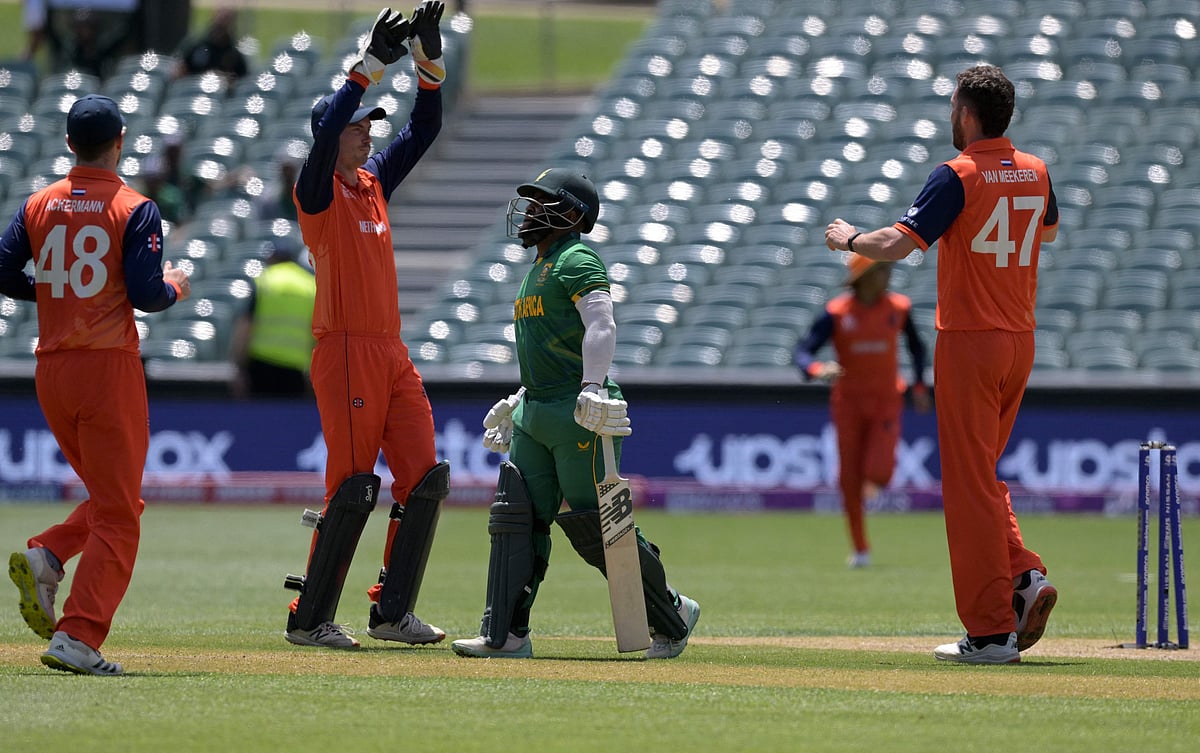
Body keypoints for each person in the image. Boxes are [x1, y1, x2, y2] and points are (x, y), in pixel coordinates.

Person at [823, 65, 1060, 664]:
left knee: (967, 485)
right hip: (1020, 339)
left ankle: (989, 632)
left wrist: (850, 239)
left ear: (968, 113)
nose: (949, 115)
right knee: (982, 476)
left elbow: (898, 244)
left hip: (971, 340)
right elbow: (1048, 233)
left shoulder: (956, 175)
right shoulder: (1036, 171)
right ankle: (1024, 576)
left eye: (953, 105)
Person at [450, 168, 701, 660]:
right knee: (517, 516)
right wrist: (522, 396)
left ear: (572, 213)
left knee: (597, 522)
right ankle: (506, 634)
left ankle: (672, 613)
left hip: (577, 409)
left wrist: (591, 386)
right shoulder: (537, 268)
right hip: (538, 408)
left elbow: (602, 321)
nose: (530, 210)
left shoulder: (577, 256)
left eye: (543, 200)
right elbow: (550, 345)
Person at [0, 94, 191, 675]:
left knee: (116, 501)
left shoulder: (38, 203)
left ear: (67, 143)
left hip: (53, 371)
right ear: (121, 140)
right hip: (107, 369)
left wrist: (57, 293)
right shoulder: (134, 207)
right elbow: (145, 294)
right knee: (119, 515)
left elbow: (5, 270)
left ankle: (51, 554)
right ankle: (78, 637)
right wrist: (177, 285)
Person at [283, 2, 450, 649]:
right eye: (360, 128)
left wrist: (425, 60)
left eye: (370, 128)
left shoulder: (373, 182)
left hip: (389, 352)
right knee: (352, 485)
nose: (369, 135)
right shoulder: (317, 192)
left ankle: (391, 611)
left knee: (424, 475)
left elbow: (426, 127)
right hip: (346, 349)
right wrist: (368, 67)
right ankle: (310, 619)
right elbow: (325, 133)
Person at [794, 253, 932, 569]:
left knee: (880, 470)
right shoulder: (837, 313)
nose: (888, 275)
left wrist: (921, 386)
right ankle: (860, 548)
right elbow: (803, 352)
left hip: (886, 401)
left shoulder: (898, 308)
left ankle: (874, 487)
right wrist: (816, 368)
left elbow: (917, 348)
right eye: (882, 270)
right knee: (849, 479)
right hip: (849, 405)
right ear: (865, 277)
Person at [230, 238, 316, 398]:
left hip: (261, 365)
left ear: (271, 257)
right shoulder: (310, 285)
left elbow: (245, 327)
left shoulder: (264, 281)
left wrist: (239, 368)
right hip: (295, 368)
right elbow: (316, 333)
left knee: (260, 420)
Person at [175, 7, 248, 83]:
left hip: (221, 92)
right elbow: (180, 68)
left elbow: (242, 77)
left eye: (226, 19)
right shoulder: (197, 44)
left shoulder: (234, 52)